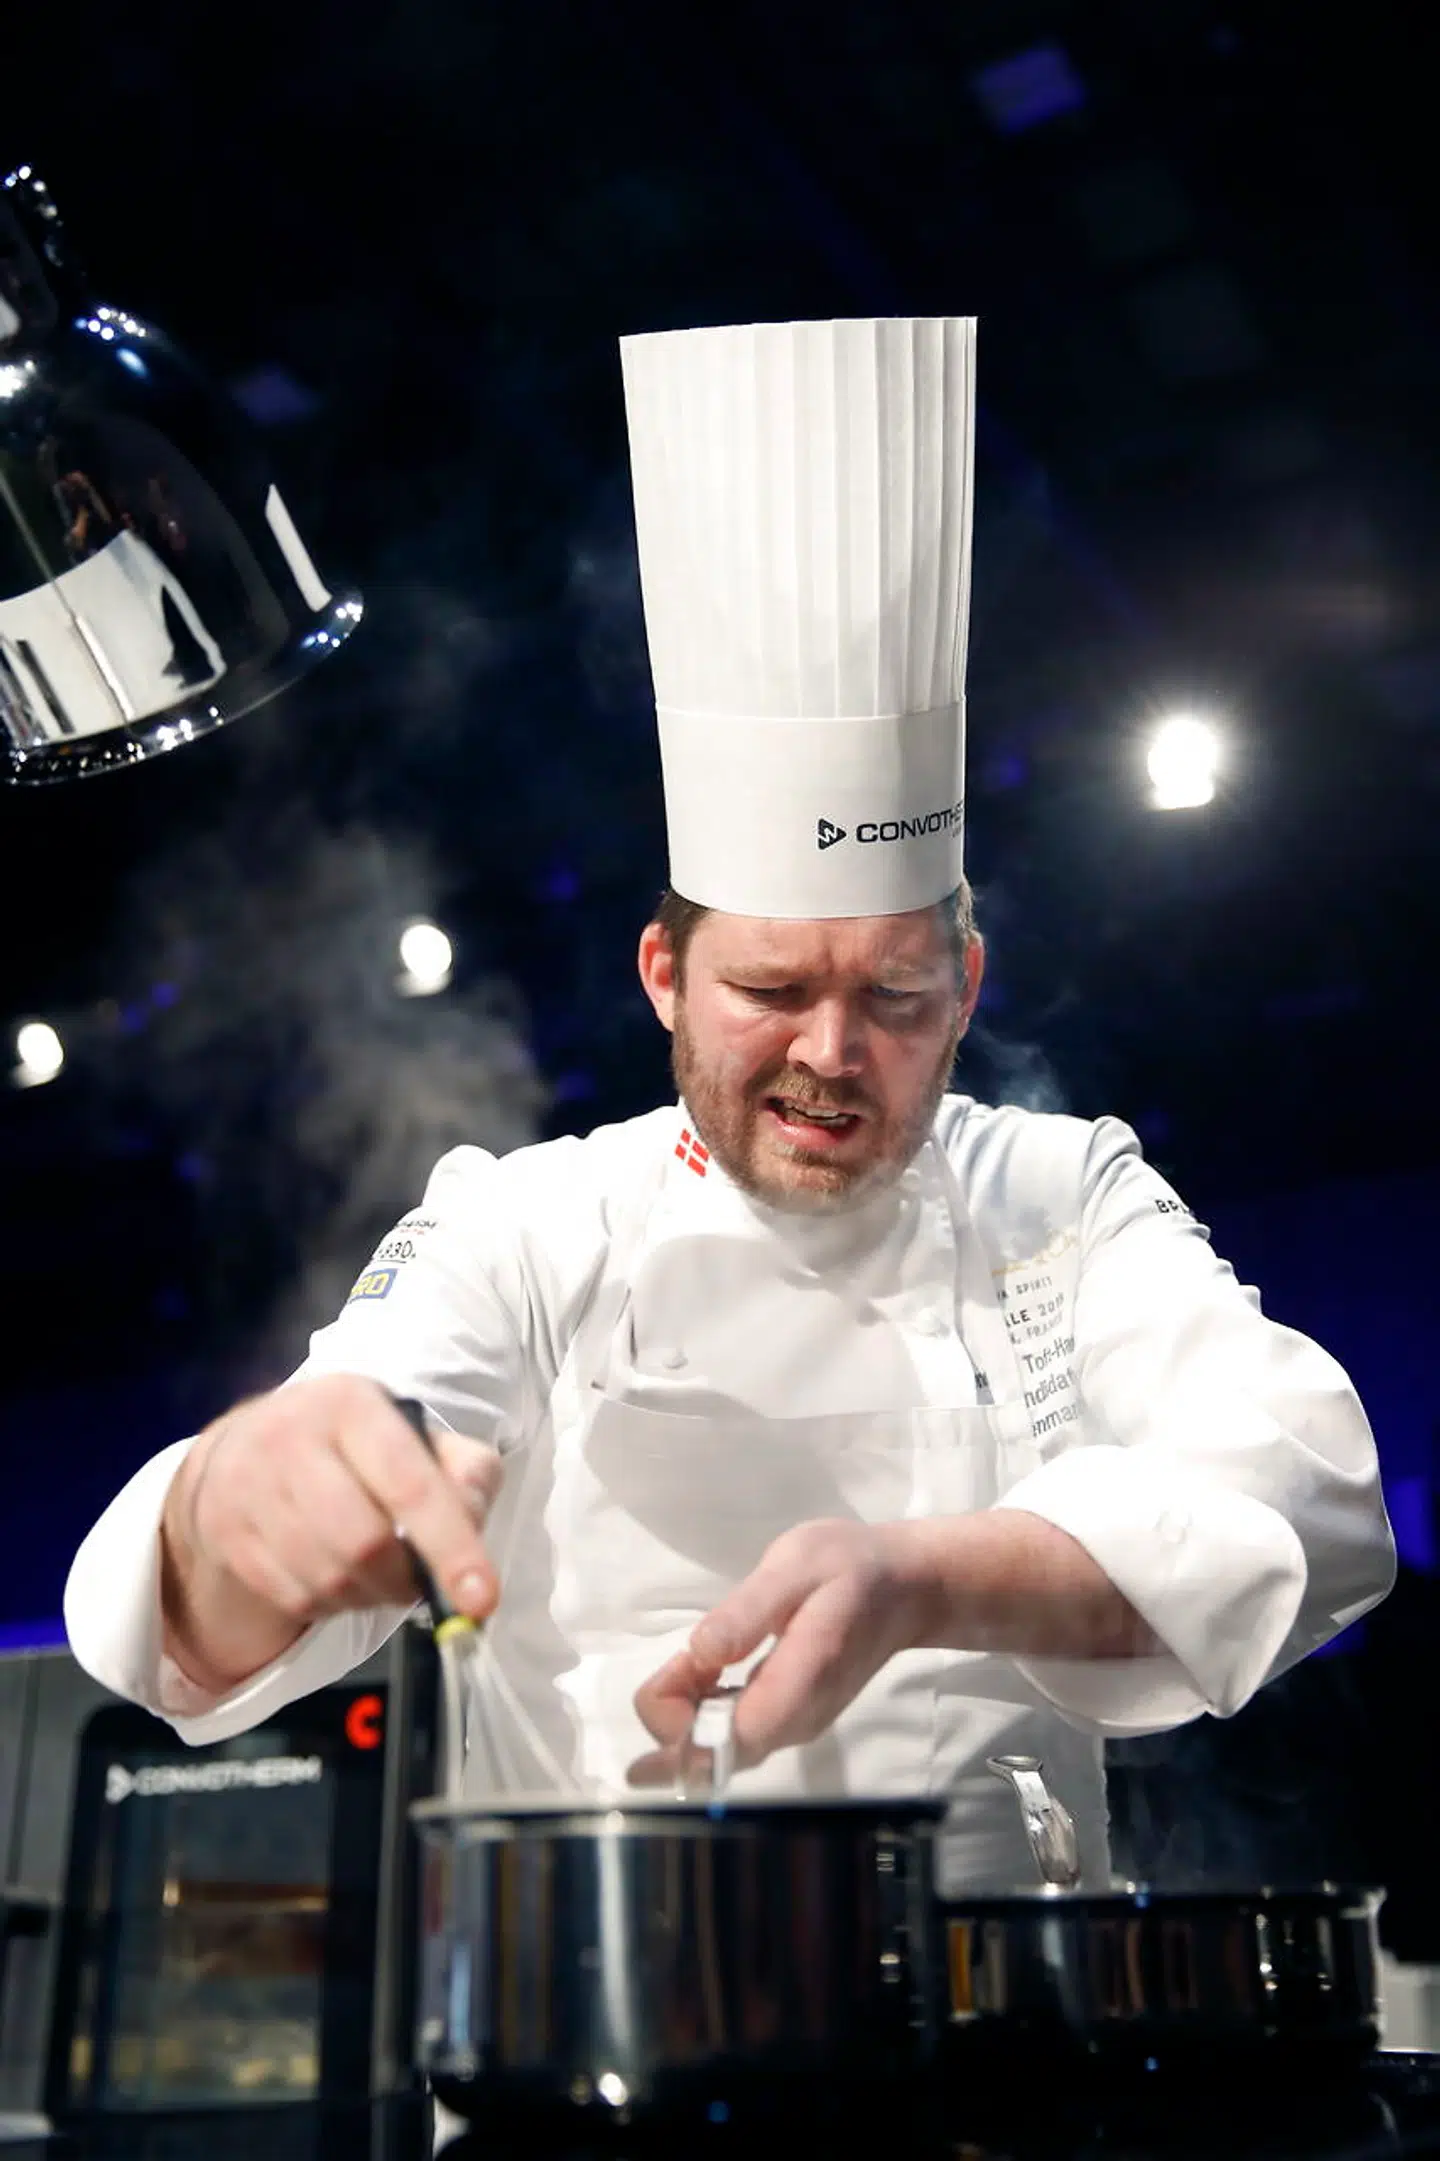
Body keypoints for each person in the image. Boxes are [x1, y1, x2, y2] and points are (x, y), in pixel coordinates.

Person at [64, 319, 1395, 1889]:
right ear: (662, 978)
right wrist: (241, 1501)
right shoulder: (526, 1221)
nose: (833, 1050)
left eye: (897, 997)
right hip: (598, 2050)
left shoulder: (1059, 1197)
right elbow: (243, 1571)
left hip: (1018, 2067)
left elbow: (1304, 1495)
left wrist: (922, 1577)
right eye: (771, 991)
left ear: (966, 991)